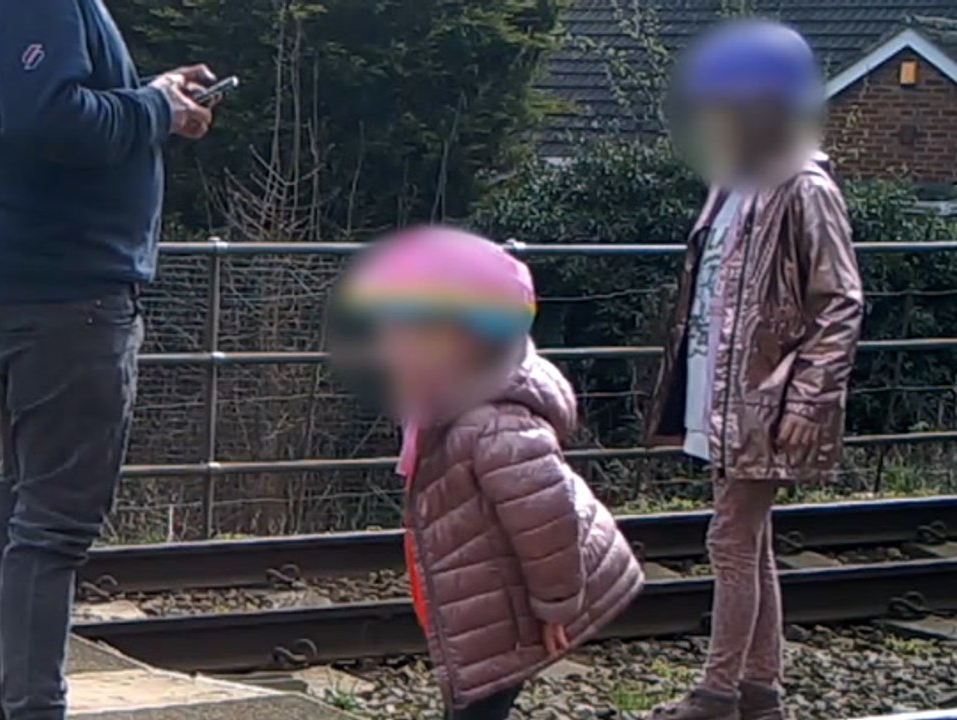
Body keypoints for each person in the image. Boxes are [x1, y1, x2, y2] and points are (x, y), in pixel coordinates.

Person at [0, 0, 217, 717]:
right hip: (71, 289)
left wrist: (151, 98)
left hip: (30, 284)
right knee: (51, 528)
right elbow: (50, 119)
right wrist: (155, 108)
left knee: (21, 515)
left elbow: (48, 102)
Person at [645, 21, 864, 720]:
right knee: (749, 540)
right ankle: (760, 690)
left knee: (730, 538)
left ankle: (717, 691)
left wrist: (808, 401)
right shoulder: (730, 185)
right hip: (722, 395)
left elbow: (840, 301)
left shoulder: (805, 187)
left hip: (764, 399)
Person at [334, 227, 644, 720]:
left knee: (479, 708)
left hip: (508, 607)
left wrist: (558, 606)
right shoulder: (443, 403)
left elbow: (547, 517)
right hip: (478, 597)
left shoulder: (496, 423)